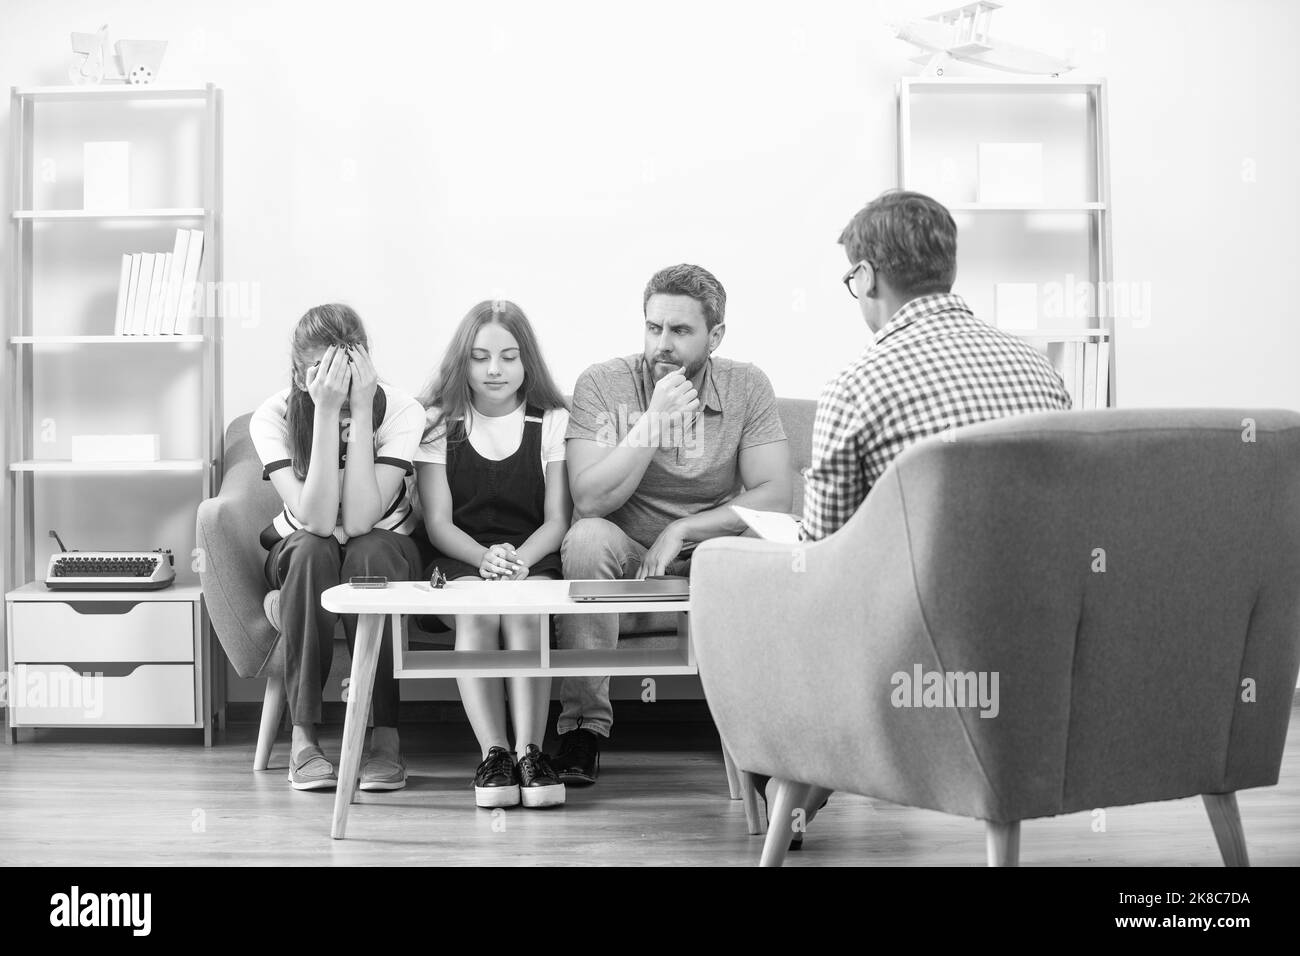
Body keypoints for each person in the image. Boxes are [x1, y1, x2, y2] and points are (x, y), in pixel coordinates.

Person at [764, 189, 1073, 845]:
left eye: (850, 276)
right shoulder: (1041, 370)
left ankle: (805, 776)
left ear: (869, 275)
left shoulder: (860, 382)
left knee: (796, 598)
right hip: (1042, 636)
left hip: (921, 649)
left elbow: (823, 552)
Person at [551, 263, 793, 785]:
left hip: (708, 556)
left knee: (769, 543)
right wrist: (651, 422)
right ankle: (581, 730)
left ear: (716, 335)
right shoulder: (602, 382)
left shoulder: (747, 385)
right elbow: (589, 499)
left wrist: (684, 529)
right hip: (627, 559)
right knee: (587, 538)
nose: (663, 343)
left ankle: (764, 736)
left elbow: (774, 495)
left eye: (681, 331)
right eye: (654, 327)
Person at [250, 303, 425, 791]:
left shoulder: (403, 409)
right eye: (322, 373)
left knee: (369, 551)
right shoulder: (275, 415)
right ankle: (303, 736)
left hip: (384, 544)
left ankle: (385, 734)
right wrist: (325, 410)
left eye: (347, 371)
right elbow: (320, 520)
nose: (338, 385)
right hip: (304, 546)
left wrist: (364, 406)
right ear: (300, 373)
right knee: (312, 550)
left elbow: (364, 518)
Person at [415, 300, 572, 809]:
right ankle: (494, 755)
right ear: (464, 362)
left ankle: (532, 754)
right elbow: (438, 523)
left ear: (527, 361)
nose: (495, 369)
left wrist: (519, 562)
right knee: (478, 611)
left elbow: (557, 521)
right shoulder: (439, 422)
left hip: (533, 555)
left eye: (508, 356)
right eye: (481, 357)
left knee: (525, 612)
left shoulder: (551, 421)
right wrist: (484, 559)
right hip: (461, 556)